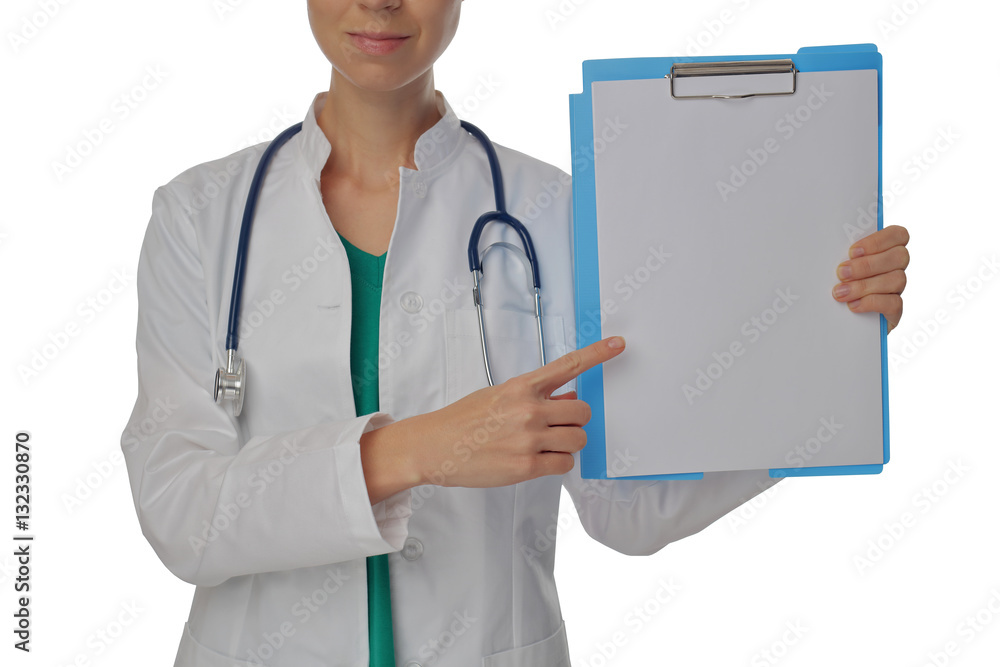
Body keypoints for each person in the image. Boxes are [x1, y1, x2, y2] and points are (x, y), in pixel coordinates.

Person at [120, 1, 911, 665]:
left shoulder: (556, 213)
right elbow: (181, 510)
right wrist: (423, 448)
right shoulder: (200, 217)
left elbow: (627, 504)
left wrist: (825, 345)